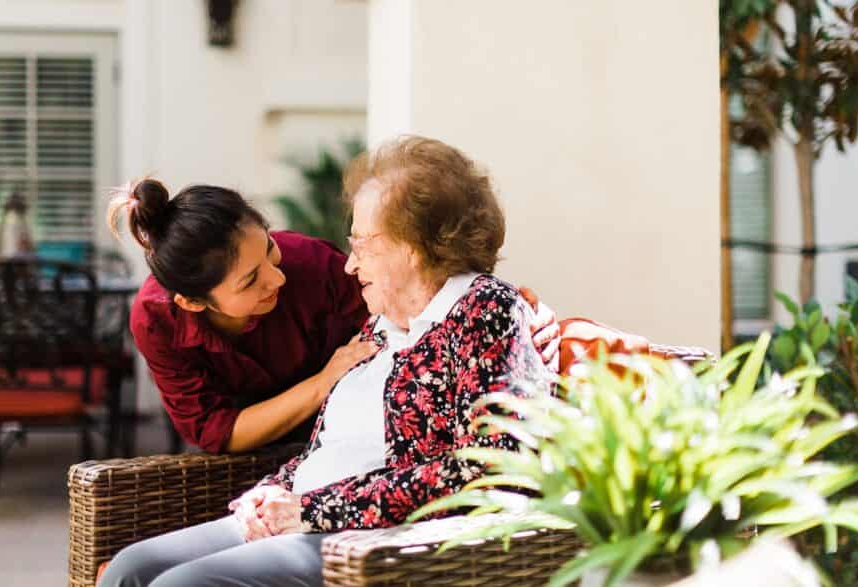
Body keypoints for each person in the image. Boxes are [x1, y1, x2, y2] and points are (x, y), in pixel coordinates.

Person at [100, 136, 551, 587]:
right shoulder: (380, 324)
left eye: (362, 247)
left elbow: (486, 464)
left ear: (411, 248)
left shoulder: (480, 311)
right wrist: (272, 490)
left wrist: (311, 509)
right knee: (129, 570)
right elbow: (327, 447)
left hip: (366, 536)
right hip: (299, 511)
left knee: (178, 586)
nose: (350, 266)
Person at [106, 178, 562, 455]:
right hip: (260, 471)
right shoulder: (157, 320)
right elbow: (215, 431)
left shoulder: (309, 265)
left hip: (353, 446)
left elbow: (417, 300)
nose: (276, 280)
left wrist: (514, 311)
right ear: (192, 302)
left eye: (270, 251)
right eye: (250, 282)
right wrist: (322, 382)